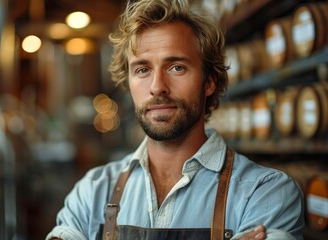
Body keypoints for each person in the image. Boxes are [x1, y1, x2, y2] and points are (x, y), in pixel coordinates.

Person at [46, 0, 304, 239]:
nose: (157, 86)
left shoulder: (265, 193)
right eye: (143, 69)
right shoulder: (92, 192)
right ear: (129, 83)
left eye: (176, 67)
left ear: (209, 82)